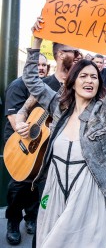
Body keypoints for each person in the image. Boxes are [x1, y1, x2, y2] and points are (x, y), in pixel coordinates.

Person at [16, 11, 106, 247]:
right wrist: (36, 40)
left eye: (94, 77)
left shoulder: (104, 113)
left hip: (89, 191)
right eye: (84, 76)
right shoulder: (58, 105)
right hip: (55, 187)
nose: (89, 80)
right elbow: (31, 80)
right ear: (73, 81)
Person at [3, 53, 48, 245]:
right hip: (18, 143)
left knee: (34, 183)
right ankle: (13, 222)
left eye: (44, 65)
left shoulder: (47, 87)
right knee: (18, 185)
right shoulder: (18, 86)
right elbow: (16, 123)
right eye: (37, 64)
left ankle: (31, 218)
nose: (41, 68)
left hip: (38, 142)